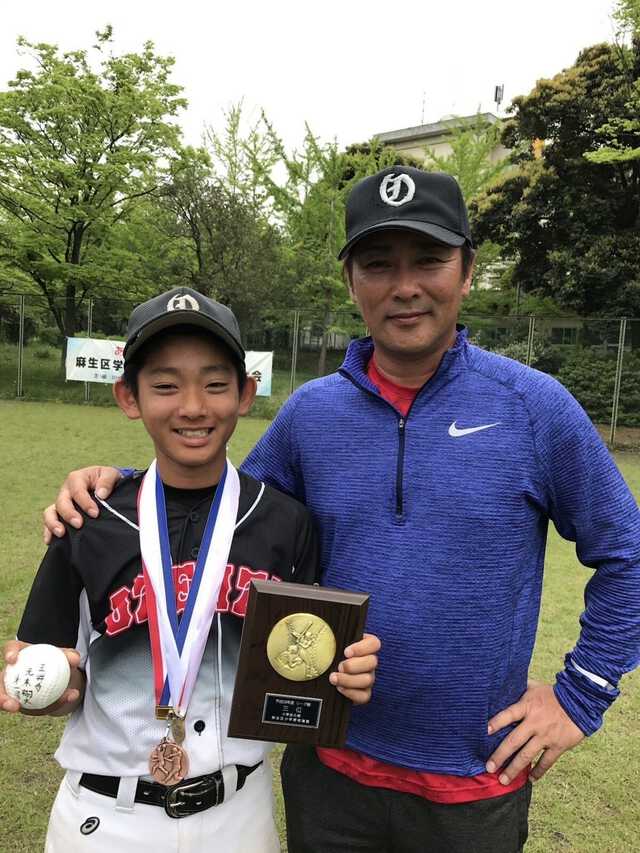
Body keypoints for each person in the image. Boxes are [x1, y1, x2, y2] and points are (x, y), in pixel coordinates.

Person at [37, 166, 640, 853]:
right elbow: (218, 513)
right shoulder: (311, 414)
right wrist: (118, 485)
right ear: (352, 280)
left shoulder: (533, 408)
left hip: (474, 781)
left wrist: (578, 696)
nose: (404, 285)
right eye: (378, 264)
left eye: (430, 260)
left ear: (467, 271)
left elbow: (628, 551)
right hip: (328, 773)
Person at [1, 287, 379, 853]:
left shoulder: (284, 522)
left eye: (216, 383)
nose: (193, 406)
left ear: (246, 393)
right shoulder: (88, 518)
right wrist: (52, 686)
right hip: (106, 815)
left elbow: (302, 662)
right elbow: (52, 660)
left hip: (238, 813)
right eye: (165, 385)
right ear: (128, 396)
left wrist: (343, 673)